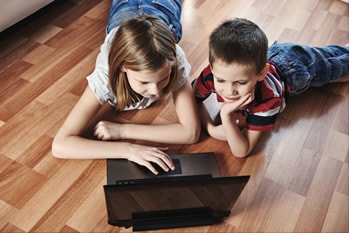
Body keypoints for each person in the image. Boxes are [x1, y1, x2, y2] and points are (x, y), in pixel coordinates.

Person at [52, 0, 200, 175]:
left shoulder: (175, 59)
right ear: (123, 67)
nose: (155, 91)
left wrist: (122, 130)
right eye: (144, 82)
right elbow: (60, 145)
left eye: (163, 78)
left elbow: (191, 133)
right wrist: (127, 150)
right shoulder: (105, 75)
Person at [191, 17, 349, 158]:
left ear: (261, 74)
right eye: (221, 80)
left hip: (295, 70)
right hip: (270, 57)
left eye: (240, 82)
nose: (229, 90)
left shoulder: (268, 97)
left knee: (337, 68)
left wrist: (224, 118)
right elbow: (193, 98)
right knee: (332, 58)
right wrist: (212, 127)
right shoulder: (211, 75)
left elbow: (241, 151)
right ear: (212, 68)